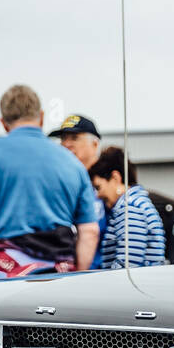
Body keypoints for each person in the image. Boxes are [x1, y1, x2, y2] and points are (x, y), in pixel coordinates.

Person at [0, 86, 99, 280]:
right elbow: (89, 231)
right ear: (41, 117)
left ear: (3, 123)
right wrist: (76, 276)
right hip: (59, 280)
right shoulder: (73, 163)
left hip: (0, 280)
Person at [87, 146, 166, 268]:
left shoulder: (129, 207)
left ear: (115, 178)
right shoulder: (136, 203)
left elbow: (128, 264)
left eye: (98, 187)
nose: (98, 195)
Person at [48, 113, 108, 269]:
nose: (66, 144)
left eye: (74, 138)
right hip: (68, 274)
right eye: (63, 138)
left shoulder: (111, 182)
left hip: (104, 275)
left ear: (95, 144)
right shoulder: (61, 185)